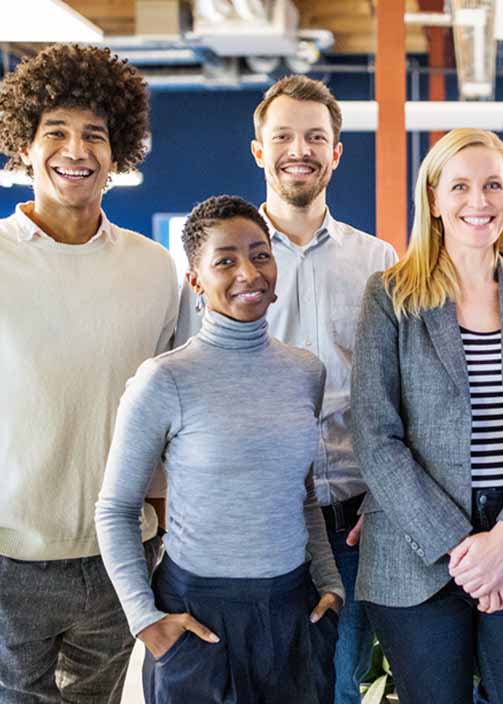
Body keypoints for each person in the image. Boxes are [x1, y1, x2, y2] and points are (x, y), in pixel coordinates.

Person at [176, 75, 397, 704]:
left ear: (336, 152)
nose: (299, 149)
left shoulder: (378, 261)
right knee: (254, 684)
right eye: (283, 137)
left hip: (355, 519)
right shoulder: (216, 267)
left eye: (315, 137)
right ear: (257, 150)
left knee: (344, 684)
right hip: (254, 521)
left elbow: (398, 393)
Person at [350, 128, 503, 704]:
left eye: (493, 185)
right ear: (433, 199)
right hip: (416, 553)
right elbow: (377, 437)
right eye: (460, 186)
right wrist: (464, 550)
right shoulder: (390, 294)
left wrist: (502, 541)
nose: (478, 201)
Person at [96, 195, 345, 704]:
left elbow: (300, 495)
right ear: (195, 280)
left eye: (259, 254)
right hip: (198, 617)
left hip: (294, 610)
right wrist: (146, 620)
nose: (248, 273)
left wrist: (330, 583)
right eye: (225, 260)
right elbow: (117, 509)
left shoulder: (305, 372)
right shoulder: (164, 379)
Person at [0, 44, 178, 704]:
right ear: (25, 143)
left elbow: (172, 408)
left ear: (118, 150)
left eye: (94, 135)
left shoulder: (154, 269)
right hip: (8, 557)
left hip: (118, 559)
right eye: (56, 132)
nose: (75, 150)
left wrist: (156, 523)